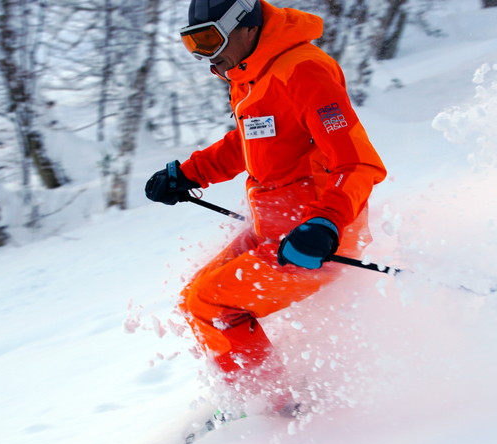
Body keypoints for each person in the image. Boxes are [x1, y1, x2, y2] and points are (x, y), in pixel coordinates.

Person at [145, 0, 386, 414]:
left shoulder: (304, 70)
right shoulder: (251, 74)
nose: (206, 54)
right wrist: (189, 173)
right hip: (276, 230)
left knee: (211, 305)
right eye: (193, 43)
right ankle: (262, 393)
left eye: (209, 39)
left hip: (314, 240)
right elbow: (255, 138)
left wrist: (324, 225)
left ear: (246, 26)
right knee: (195, 300)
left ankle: (274, 409)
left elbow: (356, 161)